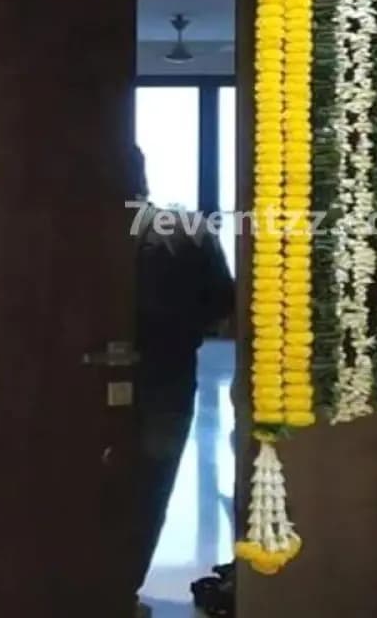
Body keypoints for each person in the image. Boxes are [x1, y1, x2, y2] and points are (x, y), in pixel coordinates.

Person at [126, 145, 234, 613]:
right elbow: (221, 308)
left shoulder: (52, 229)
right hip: (166, 376)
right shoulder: (186, 228)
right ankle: (123, 585)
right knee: (151, 485)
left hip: (68, 383)